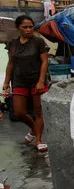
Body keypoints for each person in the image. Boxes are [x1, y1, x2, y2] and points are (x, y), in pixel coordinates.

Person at [2, 15, 49, 152]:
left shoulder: (38, 42)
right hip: (19, 81)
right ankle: (34, 130)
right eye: (25, 27)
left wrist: (41, 81)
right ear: (18, 28)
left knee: (38, 112)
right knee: (19, 112)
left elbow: (45, 62)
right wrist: (6, 82)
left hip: (37, 81)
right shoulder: (13, 44)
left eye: (30, 26)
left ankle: (39, 141)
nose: (29, 29)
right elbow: (11, 63)